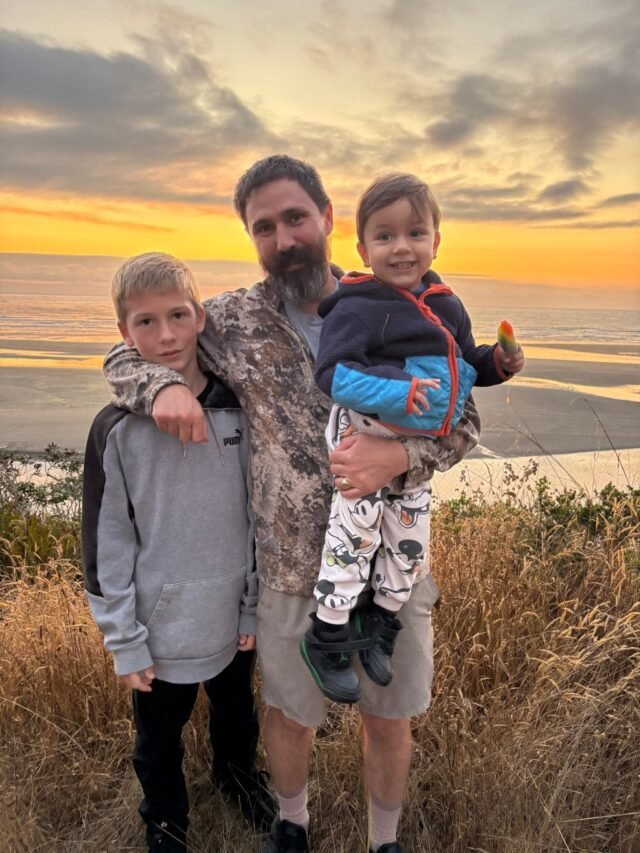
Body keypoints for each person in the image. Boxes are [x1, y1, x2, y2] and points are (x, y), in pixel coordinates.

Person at [103, 157, 482, 853]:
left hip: (388, 567)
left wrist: (401, 456)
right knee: (288, 713)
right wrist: (163, 389)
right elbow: (130, 352)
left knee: (389, 716)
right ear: (252, 237)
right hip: (288, 566)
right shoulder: (232, 321)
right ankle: (291, 824)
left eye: (296, 218)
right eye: (264, 227)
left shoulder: (399, 303)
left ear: (328, 217)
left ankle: (384, 841)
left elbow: (465, 419)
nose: (284, 239)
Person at [302, 173, 525, 703]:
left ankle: (380, 620)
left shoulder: (447, 305)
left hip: (414, 452)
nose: (401, 247)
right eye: (385, 236)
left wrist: (497, 363)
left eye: (415, 233)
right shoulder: (356, 306)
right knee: (353, 536)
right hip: (363, 433)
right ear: (363, 250)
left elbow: (463, 366)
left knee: (408, 545)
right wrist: (397, 391)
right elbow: (332, 375)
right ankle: (327, 633)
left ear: (436, 241)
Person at [82, 252, 275, 853]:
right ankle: (165, 821)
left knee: (237, 716)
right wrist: (124, 639)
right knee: (157, 740)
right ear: (125, 333)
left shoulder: (239, 410)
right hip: (158, 627)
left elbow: (255, 517)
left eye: (177, 316)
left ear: (199, 318)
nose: (165, 335)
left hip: (230, 616)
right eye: (145, 322)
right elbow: (106, 542)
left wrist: (250, 606)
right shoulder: (116, 429)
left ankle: (236, 779)